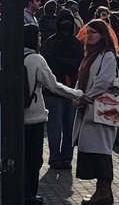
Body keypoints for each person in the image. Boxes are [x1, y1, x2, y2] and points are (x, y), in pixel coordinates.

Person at [24, 23, 81, 203]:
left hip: (15, 117)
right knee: (34, 160)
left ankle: (21, 192)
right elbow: (54, 86)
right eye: (38, 35)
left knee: (21, 158)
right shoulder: (36, 60)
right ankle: (29, 195)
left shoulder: (12, 55)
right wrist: (77, 93)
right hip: (34, 116)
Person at [71, 19, 119, 205]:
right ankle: (102, 192)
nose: (89, 35)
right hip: (89, 108)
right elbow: (82, 79)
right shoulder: (89, 56)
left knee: (102, 151)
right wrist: (77, 95)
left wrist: (87, 96)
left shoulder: (107, 55)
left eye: (94, 32)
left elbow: (104, 80)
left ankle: (104, 191)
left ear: (103, 35)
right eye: (88, 32)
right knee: (93, 149)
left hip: (101, 109)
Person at [40, 10, 83, 170]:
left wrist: (61, 62)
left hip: (63, 90)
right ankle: (59, 158)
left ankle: (62, 158)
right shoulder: (71, 43)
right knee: (59, 126)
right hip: (59, 90)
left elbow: (76, 62)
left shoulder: (55, 42)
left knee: (64, 126)